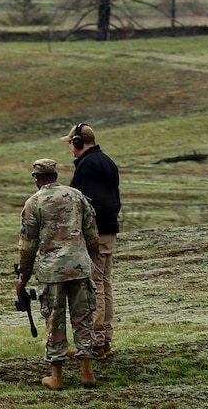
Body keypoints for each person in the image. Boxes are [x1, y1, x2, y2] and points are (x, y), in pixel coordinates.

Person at [16, 158, 99, 391]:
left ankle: (57, 376)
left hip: (51, 273)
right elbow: (92, 233)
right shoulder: (77, 196)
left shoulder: (34, 202)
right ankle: (87, 373)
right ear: (55, 174)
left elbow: (27, 246)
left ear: (37, 178)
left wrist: (23, 276)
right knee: (83, 319)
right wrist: (90, 260)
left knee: (54, 321)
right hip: (80, 267)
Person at [62, 122, 121, 357]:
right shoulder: (106, 161)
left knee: (94, 285)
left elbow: (86, 204)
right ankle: (105, 338)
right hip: (109, 231)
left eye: (70, 142)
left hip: (95, 233)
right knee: (104, 282)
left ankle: (95, 342)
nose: (69, 147)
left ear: (78, 142)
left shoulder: (87, 165)